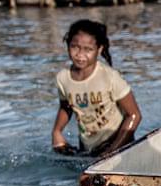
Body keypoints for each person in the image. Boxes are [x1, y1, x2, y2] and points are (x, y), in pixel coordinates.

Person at [51, 20, 142, 157]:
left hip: (117, 142)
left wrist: (112, 150)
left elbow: (134, 115)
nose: (80, 54)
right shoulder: (63, 78)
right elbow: (66, 106)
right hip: (87, 147)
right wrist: (56, 132)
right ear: (68, 45)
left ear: (99, 50)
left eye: (88, 49)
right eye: (75, 47)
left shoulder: (109, 77)